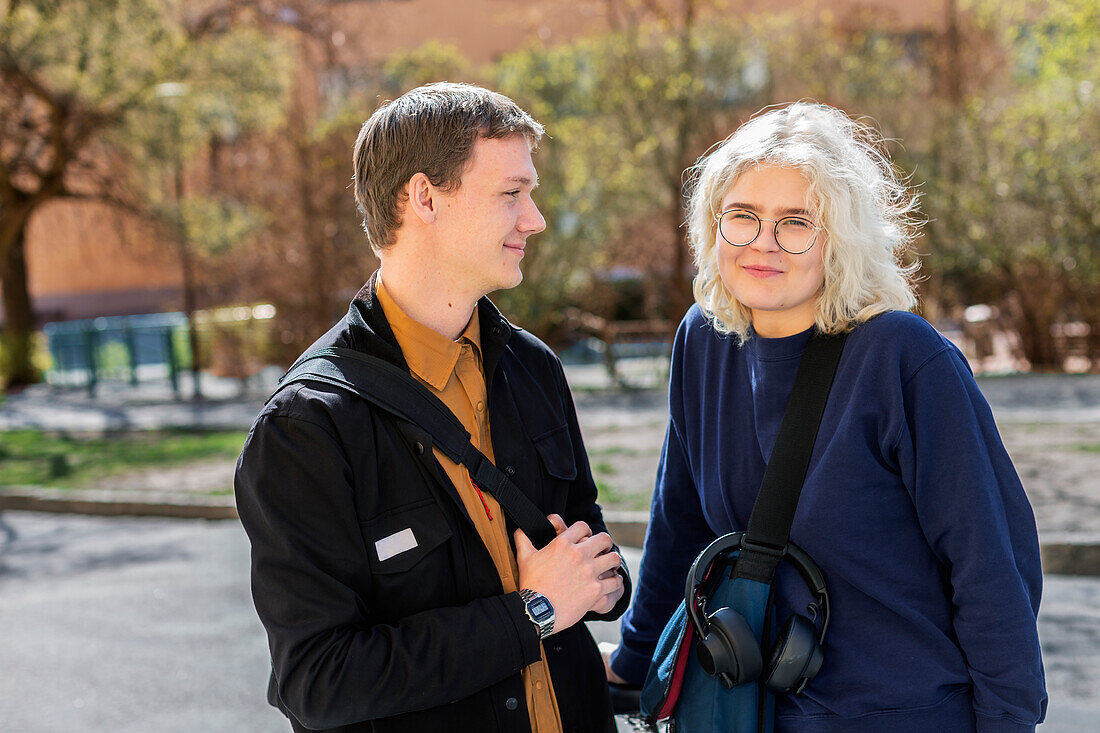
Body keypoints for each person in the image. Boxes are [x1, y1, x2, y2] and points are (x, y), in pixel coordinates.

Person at [604, 102, 1047, 732]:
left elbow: (992, 568)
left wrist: (1008, 723)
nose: (763, 242)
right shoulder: (703, 341)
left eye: (796, 223)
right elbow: (678, 521)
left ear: (840, 241)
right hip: (748, 712)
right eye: (743, 217)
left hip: (899, 715)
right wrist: (633, 659)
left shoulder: (904, 359)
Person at [235, 82, 629, 733]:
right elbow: (318, 680)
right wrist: (531, 610)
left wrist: (602, 583)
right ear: (424, 198)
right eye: (511, 193)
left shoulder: (535, 369)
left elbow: (588, 540)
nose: (535, 218)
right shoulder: (306, 428)